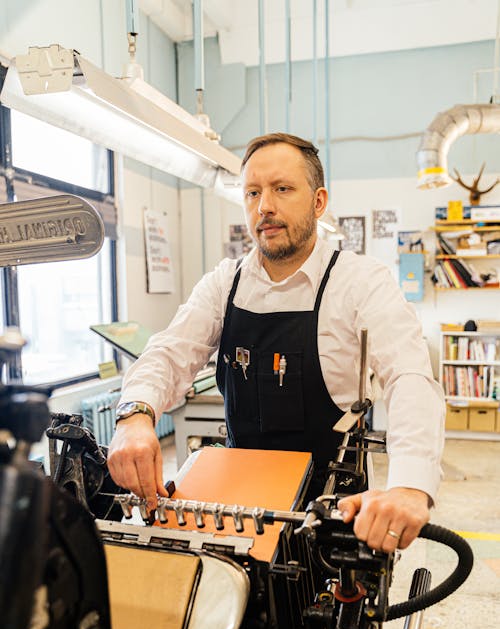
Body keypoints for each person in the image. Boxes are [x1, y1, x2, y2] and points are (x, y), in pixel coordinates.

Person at [107, 132, 445, 553]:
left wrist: (410, 485)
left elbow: (409, 376)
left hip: (330, 513)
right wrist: (136, 414)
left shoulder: (361, 282)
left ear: (319, 202)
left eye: (282, 189)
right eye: (252, 193)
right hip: (238, 507)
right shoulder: (224, 284)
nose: (264, 206)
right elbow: (169, 352)